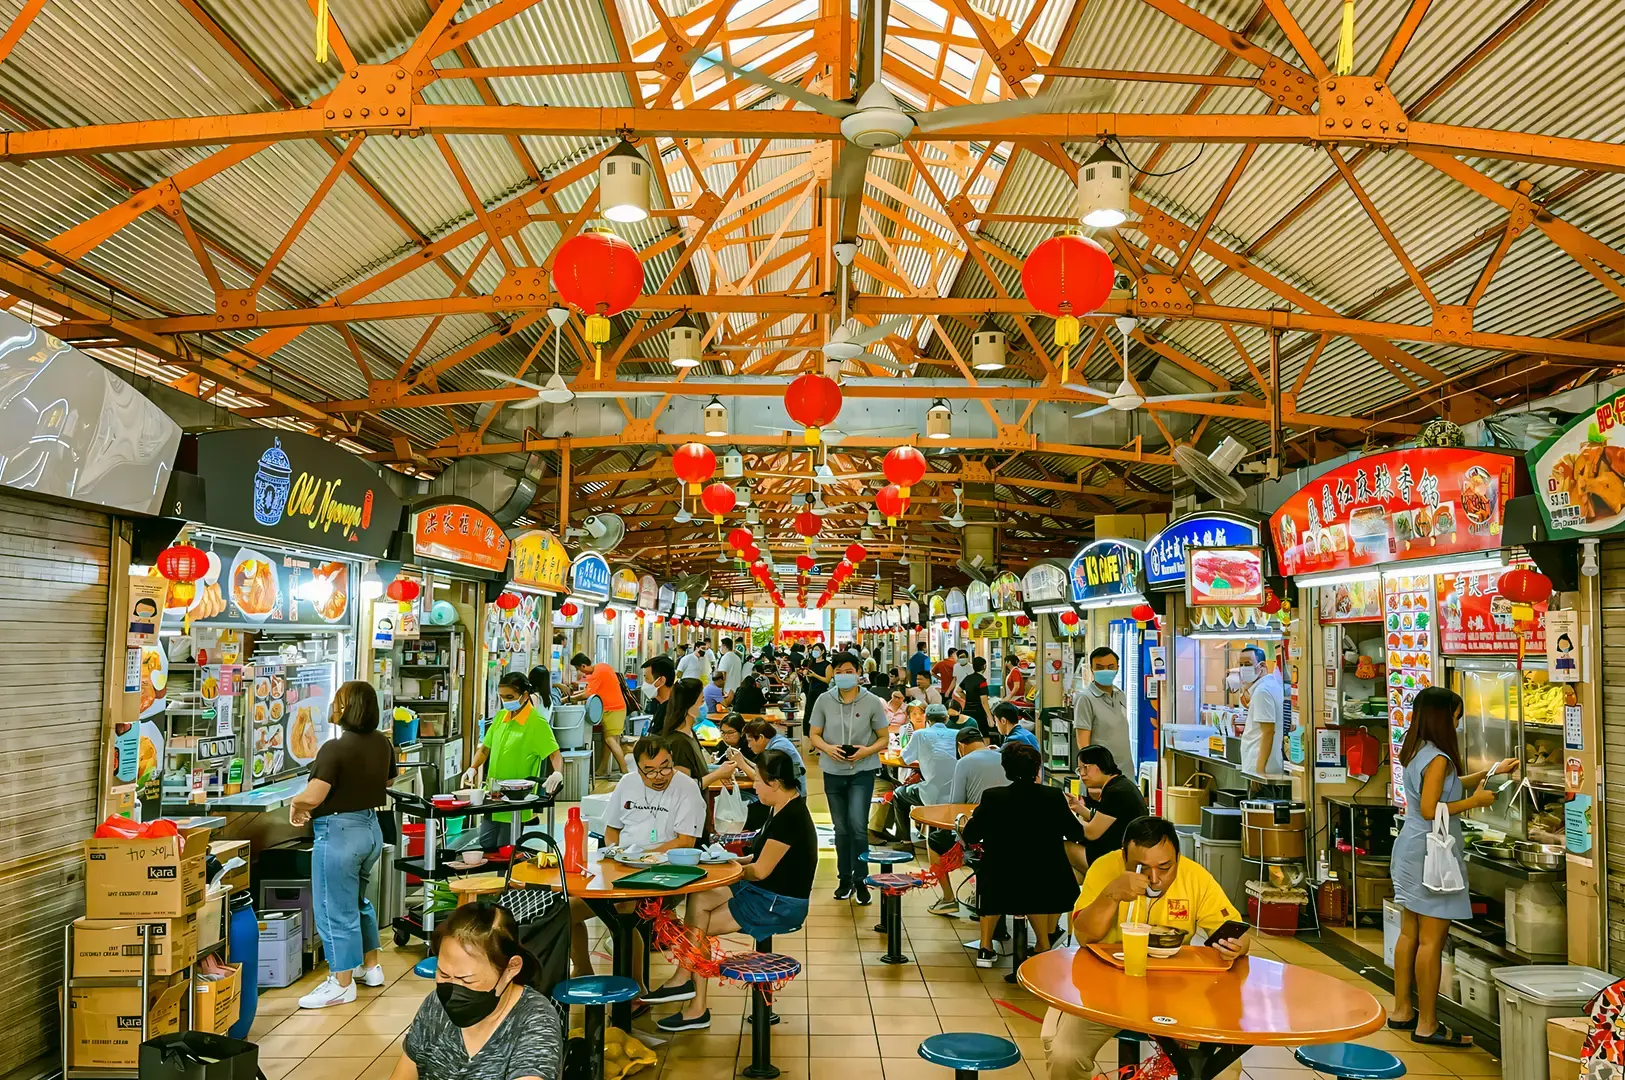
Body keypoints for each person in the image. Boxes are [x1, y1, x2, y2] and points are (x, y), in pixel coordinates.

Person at [1050, 817, 1250, 1080]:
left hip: (1177, 991)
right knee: (1065, 1054)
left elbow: (1237, 933)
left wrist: (1236, 946)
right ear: (1124, 857)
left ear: (1178, 857)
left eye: (1165, 867)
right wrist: (1112, 894)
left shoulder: (1195, 876)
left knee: (1223, 1065)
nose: (1154, 879)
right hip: (1106, 989)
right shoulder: (1105, 869)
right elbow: (1085, 935)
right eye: (1142, 868)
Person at [649, 749, 817, 1031]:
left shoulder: (791, 818)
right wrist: (728, 862)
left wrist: (729, 871)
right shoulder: (782, 807)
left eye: (759, 783)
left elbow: (761, 870)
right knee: (699, 895)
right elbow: (757, 859)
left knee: (696, 930)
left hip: (778, 902)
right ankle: (687, 986)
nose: (756, 787)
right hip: (764, 891)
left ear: (774, 783)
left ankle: (693, 998)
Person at [1390, 686, 1518, 1046]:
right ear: (1444, 717)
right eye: (1457, 716)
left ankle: (1402, 1010)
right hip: (1431, 854)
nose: (1459, 723)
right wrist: (1476, 802)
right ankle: (1427, 1024)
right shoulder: (1440, 757)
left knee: (1409, 933)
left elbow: (1441, 790)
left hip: (1411, 848)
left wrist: (1488, 773)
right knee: (1432, 940)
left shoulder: (1419, 751)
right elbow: (1434, 809)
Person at [290, 681, 393, 1008]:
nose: (334, 704)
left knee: (335, 909)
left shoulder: (335, 749)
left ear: (350, 708)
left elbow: (315, 795)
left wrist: (296, 804)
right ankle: (371, 967)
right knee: (358, 902)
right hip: (371, 829)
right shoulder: (382, 743)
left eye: (339, 700)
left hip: (339, 833)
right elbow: (388, 780)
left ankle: (341, 982)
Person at [571, 737, 705, 978]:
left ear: (672, 759)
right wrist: (617, 855)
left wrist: (643, 858)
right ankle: (583, 970)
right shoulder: (627, 783)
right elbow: (612, 830)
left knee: (624, 911)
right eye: (650, 771)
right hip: (621, 870)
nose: (660, 776)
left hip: (665, 876)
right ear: (638, 768)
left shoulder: (687, 788)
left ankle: (634, 991)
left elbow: (686, 842)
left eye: (666, 766)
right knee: (566, 911)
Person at [395, 903, 562, 1080]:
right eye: (443, 974)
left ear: (511, 968)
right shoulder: (435, 1006)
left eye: (467, 980)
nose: (452, 989)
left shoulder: (535, 1020)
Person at [962, 742, 1087, 968]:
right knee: (1043, 880)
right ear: (1037, 769)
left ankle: (985, 947)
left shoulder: (993, 797)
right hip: (1044, 879)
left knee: (992, 881)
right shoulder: (1053, 796)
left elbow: (972, 834)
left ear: (1006, 768)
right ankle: (1042, 944)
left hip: (999, 878)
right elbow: (1075, 832)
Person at [808, 650, 889, 904]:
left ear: (859, 673)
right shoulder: (824, 699)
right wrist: (827, 748)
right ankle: (844, 879)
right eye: (840, 672)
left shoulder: (872, 701)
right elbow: (814, 734)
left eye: (850, 672)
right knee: (840, 828)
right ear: (833, 674)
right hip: (832, 771)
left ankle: (861, 880)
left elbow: (884, 738)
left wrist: (867, 751)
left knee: (857, 826)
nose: (844, 677)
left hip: (862, 771)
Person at [461, 673, 564, 850]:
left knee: (506, 850)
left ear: (525, 695)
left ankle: (506, 878)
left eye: (510, 697)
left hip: (516, 799)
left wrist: (557, 772)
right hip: (493, 795)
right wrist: (473, 768)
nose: (505, 701)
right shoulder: (501, 717)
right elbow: (485, 748)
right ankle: (487, 879)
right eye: (502, 697)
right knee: (486, 845)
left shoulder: (536, 723)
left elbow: (555, 754)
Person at [1069, 744, 1148, 864]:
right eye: (1080, 769)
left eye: (1085, 767)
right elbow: (1105, 820)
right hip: (1121, 851)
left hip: (1118, 858)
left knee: (1064, 847)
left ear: (1101, 765)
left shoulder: (1116, 792)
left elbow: (1091, 833)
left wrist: (1067, 815)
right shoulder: (1120, 784)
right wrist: (1078, 808)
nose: (1082, 774)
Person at [1072, 646, 1133, 778]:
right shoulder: (1085, 698)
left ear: (1117, 667)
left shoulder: (1120, 694)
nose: (1105, 671)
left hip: (1125, 772)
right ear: (1092, 669)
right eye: (1099, 667)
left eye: (1110, 667)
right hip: (1101, 776)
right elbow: (1083, 746)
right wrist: (1088, 776)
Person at [570, 652, 629, 777]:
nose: (579, 672)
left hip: (613, 710)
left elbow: (587, 694)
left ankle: (625, 772)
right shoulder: (603, 667)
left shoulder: (597, 673)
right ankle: (601, 770)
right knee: (607, 741)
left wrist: (569, 699)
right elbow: (591, 688)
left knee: (610, 740)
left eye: (578, 669)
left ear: (583, 666)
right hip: (616, 708)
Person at [1238, 644, 1286, 776]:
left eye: (1247, 664)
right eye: (1241, 665)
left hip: (1260, 768)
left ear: (1262, 666)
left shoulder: (1262, 692)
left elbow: (1268, 732)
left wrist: (1259, 771)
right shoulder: (1271, 686)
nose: (1243, 669)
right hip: (1266, 766)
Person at [660, 677, 712, 781]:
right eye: (702, 701)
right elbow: (685, 785)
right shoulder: (678, 743)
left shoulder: (690, 733)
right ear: (688, 706)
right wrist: (719, 774)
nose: (704, 706)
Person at [947, 726, 1008, 805]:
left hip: (978, 814)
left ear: (961, 745)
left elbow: (956, 802)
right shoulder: (1003, 758)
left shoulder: (964, 762)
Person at [640, 654, 677, 732]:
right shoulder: (662, 705)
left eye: (647, 678)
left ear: (661, 681)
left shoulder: (670, 711)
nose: (644, 684)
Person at [956, 655, 991, 731]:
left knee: (968, 733)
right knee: (984, 734)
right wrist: (990, 717)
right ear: (984, 666)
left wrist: (968, 698)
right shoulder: (982, 681)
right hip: (979, 712)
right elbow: (984, 701)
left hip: (967, 711)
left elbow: (958, 690)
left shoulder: (968, 678)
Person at [800, 642, 832, 719]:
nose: (815, 652)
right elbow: (808, 680)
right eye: (814, 650)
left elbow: (827, 680)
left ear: (823, 651)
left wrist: (815, 675)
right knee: (809, 713)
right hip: (811, 691)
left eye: (817, 650)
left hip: (821, 691)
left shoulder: (828, 665)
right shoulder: (811, 663)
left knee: (820, 714)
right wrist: (806, 675)